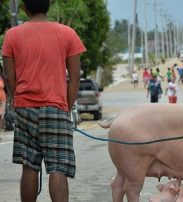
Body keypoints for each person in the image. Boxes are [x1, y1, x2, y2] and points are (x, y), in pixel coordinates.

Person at [1, 0, 86, 201]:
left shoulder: (12, 35)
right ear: (48, 7)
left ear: (24, 8)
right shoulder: (67, 33)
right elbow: (74, 78)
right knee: (58, 167)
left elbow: (9, 76)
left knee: (29, 166)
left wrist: (18, 99)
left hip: (24, 108)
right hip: (56, 107)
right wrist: (66, 105)